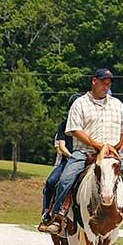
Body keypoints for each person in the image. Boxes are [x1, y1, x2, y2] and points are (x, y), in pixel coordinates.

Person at [38, 68, 123, 240]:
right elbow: (75, 129)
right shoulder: (80, 103)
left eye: (109, 84)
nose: (106, 86)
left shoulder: (117, 105)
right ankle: (58, 217)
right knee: (65, 179)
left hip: (112, 154)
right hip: (85, 152)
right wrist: (95, 144)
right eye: (103, 83)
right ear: (94, 81)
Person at [39, 92, 82, 226]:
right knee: (51, 182)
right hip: (68, 161)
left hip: (86, 159)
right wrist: (71, 156)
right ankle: (47, 211)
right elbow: (62, 147)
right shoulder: (64, 125)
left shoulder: (88, 125)